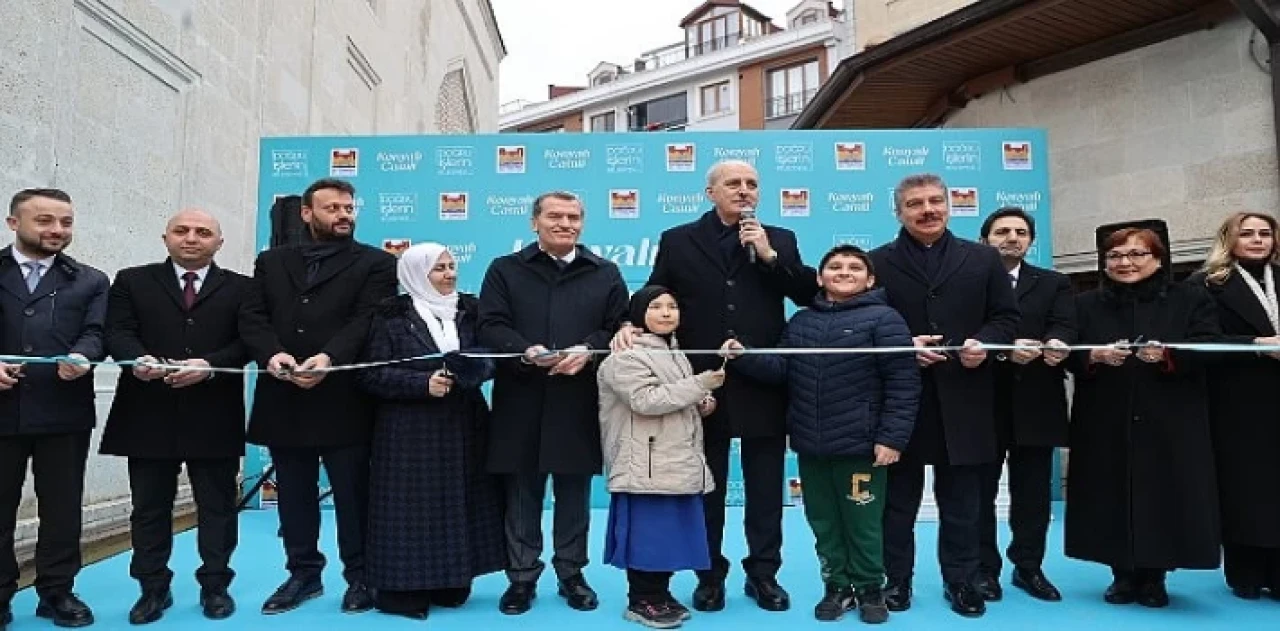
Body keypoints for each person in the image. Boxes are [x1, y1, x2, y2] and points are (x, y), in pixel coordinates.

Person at [613, 159, 818, 613]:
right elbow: (653, 293)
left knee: (766, 490)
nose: (744, 190)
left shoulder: (779, 239)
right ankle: (709, 575)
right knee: (708, 487)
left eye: (751, 184)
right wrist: (628, 321)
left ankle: (764, 575)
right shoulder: (678, 239)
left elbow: (809, 294)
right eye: (733, 183)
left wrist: (769, 256)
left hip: (763, 380)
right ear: (711, 192)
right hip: (700, 384)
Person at [721, 244, 919, 624]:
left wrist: (892, 439)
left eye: (854, 267)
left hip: (861, 448)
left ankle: (869, 589)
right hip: (812, 446)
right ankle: (837, 587)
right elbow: (782, 370)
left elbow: (903, 383)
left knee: (862, 523)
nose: (844, 272)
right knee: (824, 522)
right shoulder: (801, 322)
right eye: (835, 266)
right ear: (819, 276)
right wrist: (743, 356)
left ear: (870, 279)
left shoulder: (886, 319)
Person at [239, 177, 397, 615]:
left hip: (345, 396)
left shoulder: (376, 263)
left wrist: (328, 357)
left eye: (348, 208)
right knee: (293, 494)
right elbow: (253, 316)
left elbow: (368, 319)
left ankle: (361, 576)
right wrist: (273, 355)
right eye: (332, 208)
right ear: (307, 213)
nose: (343, 215)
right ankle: (303, 574)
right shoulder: (271, 261)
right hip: (283, 393)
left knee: (352, 493)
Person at [867, 173, 1019, 618]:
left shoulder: (983, 258)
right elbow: (862, 323)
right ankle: (896, 582)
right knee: (897, 505)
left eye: (936, 201)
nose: (927, 209)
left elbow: (1007, 319)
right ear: (899, 212)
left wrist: (984, 344)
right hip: (901, 403)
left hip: (967, 399)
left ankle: (963, 581)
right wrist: (902, 347)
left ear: (950, 206)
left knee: (963, 503)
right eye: (915, 203)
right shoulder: (877, 261)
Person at [477, 191, 629, 615]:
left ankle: (571, 573)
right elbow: (489, 323)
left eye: (574, 217)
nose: (565, 223)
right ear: (534, 222)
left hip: (578, 399)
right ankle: (522, 577)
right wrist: (524, 350)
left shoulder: (605, 272)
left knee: (574, 495)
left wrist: (589, 349)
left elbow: (618, 326)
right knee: (522, 493)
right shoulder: (505, 270)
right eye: (555, 216)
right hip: (521, 397)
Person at [100, 209, 249, 624]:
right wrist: (136, 359)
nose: (191, 238)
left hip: (214, 412)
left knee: (217, 507)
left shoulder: (243, 288)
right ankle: (152, 589)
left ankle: (216, 587)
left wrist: (211, 365)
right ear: (164, 237)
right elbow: (117, 332)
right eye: (182, 231)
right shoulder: (131, 280)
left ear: (219, 243)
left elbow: (247, 342)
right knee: (149, 508)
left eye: (203, 232)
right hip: (147, 410)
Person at [1065, 219, 1221, 608]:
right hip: (1105, 415)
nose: (1125, 263)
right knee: (1109, 490)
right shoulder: (1083, 304)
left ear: (1158, 258)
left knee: (1164, 491)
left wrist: (1168, 355)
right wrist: (1095, 355)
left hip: (1169, 415)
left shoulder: (1190, 298)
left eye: (1137, 254)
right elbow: (1064, 351)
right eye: (1115, 255)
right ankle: (1121, 574)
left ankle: (1154, 577)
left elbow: (1210, 346)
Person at [355, 243, 507, 619]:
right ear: (416, 274)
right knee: (409, 512)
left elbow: (490, 356)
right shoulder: (390, 316)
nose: (449, 274)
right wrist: (421, 385)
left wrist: (469, 372)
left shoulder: (469, 311)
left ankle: (450, 581)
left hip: (464, 424)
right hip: (408, 431)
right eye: (438, 269)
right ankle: (403, 592)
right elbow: (370, 374)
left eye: (451, 266)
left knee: (458, 503)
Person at [0, 188, 109, 629]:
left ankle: (57, 592)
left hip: (63, 410)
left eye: (65, 222)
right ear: (13, 223)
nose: (57, 230)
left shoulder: (90, 279)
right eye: (44, 221)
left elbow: (98, 332)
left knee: (62, 509)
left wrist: (84, 356)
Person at [597, 285, 723, 628]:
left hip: (674, 461)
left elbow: (675, 399)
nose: (667, 313)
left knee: (668, 536)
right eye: (656, 306)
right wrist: (700, 385)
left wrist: (701, 403)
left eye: (672, 306)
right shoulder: (625, 356)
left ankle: (660, 595)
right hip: (645, 465)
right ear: (638, 314)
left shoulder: (674, 352)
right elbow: (646, 400)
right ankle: (641, 600)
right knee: (648, 538)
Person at [974, 207, 1075, 602]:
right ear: (985, 239)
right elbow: (966, 332)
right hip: (983, 402)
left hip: (1038, 400)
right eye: (1002, 231)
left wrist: (1058, 343)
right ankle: (984, 569)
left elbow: (1065, 325)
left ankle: (1029, 567)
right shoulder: (970, 282)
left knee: (1032, 493)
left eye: (1020, 232)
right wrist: (1002, 353)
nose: (1012, 237)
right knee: (979, 493)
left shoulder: (1054, 283)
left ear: (1031, 240)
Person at [1191, 212, 1280, 600]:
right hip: (1237, 398)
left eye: (1265, 234)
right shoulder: (1207, 284)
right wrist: (1258, 346)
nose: (1258, 240)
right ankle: (1245, 571)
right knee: (1245, 487)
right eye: (1248, 234)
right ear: (1230, 240)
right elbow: (1202, 340)